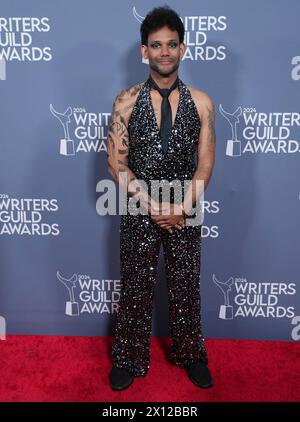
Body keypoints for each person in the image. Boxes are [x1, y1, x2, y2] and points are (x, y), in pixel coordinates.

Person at [107, 5, 215, 391]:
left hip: (185, 204)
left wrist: (181, 207)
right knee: (136, 284)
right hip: (140, 205)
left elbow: (205, 164)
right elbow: (116, 165)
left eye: (171, 44)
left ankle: (191, 353)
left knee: (187, 285)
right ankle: (129, 356)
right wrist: (153, 207)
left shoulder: (202, 102)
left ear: (183, 48)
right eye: (156, 45)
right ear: (144, 51)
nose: (164, 52)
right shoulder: (125, 102)